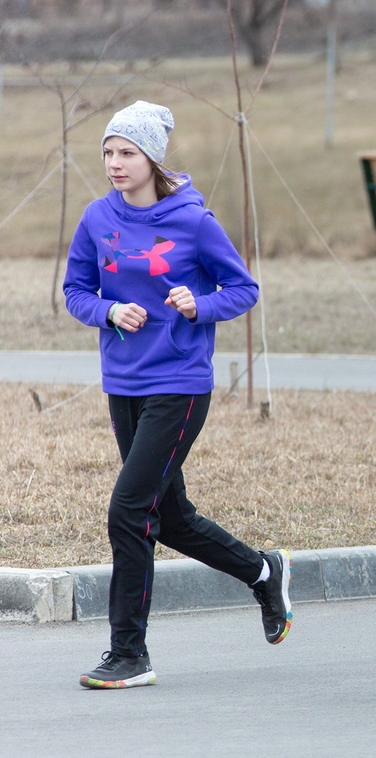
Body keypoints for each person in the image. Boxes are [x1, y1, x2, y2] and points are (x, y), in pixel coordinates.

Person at [63, 100, 293, 689]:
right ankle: (263, 571)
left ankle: (128, 653)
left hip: (180, 384)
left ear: (152, 158)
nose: (115, 163)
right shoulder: (96, 217)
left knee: (129, 510)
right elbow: (76, 291)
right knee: (169, 516)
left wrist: (201, 304)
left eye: (127, 153)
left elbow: (242, 288)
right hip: (124, 381)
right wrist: (110, 309)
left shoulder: (193, 222)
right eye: (109, 152)